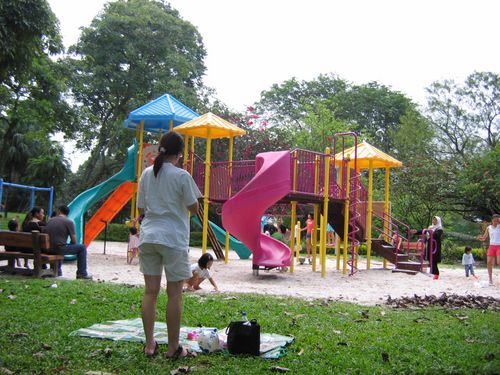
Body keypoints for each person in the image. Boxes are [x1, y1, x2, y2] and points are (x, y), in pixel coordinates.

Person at [137, 131, 202, 359]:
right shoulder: (182, 176)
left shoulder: (146, 174)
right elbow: (194, 208)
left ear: (160, 149)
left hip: (149, 237)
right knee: (174, 295)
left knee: (150, 292)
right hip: (173, 239)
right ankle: (173, 347)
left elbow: (141, 209)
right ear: (180, 153)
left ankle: (149, 345)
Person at [44, 205, 92, 279]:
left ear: (59, 211)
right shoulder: (68, 222)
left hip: (47, 249)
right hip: (58, 248)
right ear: (67, 213)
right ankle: (82, 273)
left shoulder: (50, 220)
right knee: (82, 247)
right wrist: (71, 244)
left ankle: (58, 271)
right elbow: (74, 240)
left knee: (61, 245)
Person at [478, 213, 500, 285]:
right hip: (491, 246)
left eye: (497, 220)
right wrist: (480, 238)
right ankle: (490, 279)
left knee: (499, 262)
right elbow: (484, 238)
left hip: (499, 246)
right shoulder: (488, 228)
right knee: (489, 262)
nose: (496, 222)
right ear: (492, 220)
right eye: (495, 220)